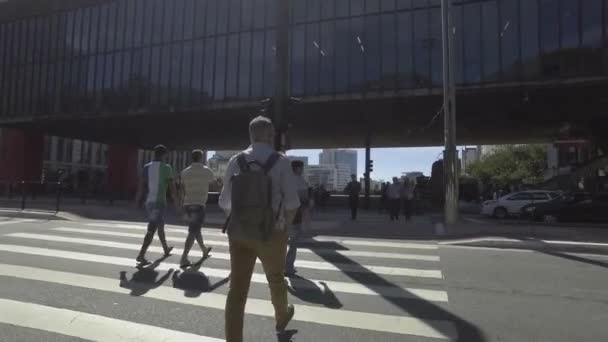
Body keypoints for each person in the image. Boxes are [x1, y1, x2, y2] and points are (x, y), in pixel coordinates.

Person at [219, 116, 300, 342]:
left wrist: (242, 219)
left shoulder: (236, 161)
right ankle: (282, 316)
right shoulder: (281, 161)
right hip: (272, 232)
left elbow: (225, 202)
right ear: (270, 134)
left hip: (240, 234)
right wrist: (284, 226)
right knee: (275, 278)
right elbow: (293, 203)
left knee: (237, 290)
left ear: (250, 134)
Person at [135, 145, 176, 266]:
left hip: (149, 202)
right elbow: (172, 187)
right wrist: (176, 201)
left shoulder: (146, 167)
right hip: (159, 202)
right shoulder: (167, 168)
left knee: (160, 225)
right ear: (164, 155)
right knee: (152, 229)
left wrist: (137, 200)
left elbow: (141, 186)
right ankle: (141, 255)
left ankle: (165, 249)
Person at [178, 149, 214, 268]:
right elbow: (214, 183)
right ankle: (184, 258)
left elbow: (182, 190)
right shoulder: (206, 171)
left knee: (195, 229)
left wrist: (181, 205)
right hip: (199, 204)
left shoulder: (185, 172)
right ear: (201, 158)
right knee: (193, 231)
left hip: (187, 204)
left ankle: (204, 250)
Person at [285, 160, 310, 276]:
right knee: (293, 244)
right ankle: (288, 267)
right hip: (295, 215)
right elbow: (304, 200)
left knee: (281, 243)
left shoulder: (285, 179)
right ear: (298, 168)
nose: (302, 170)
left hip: (282, 215)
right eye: (302, 167)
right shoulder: (301, 181)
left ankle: (280, 266)